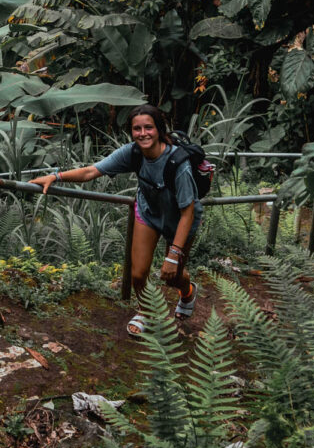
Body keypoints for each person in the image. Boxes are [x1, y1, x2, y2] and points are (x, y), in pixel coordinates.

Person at [33, 104, 198, 336]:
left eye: (148, 128)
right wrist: (55, 176)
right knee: (138, 273)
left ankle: (188, 291)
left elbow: (188, 212)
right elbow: (91, 172)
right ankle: (145, 311)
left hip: (180, 218)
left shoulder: (177, 163)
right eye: (137, 128)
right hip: (149, 212)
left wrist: (174, 254)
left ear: (159, 130)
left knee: (172, 276)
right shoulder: (132, 152)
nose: (143, 134)